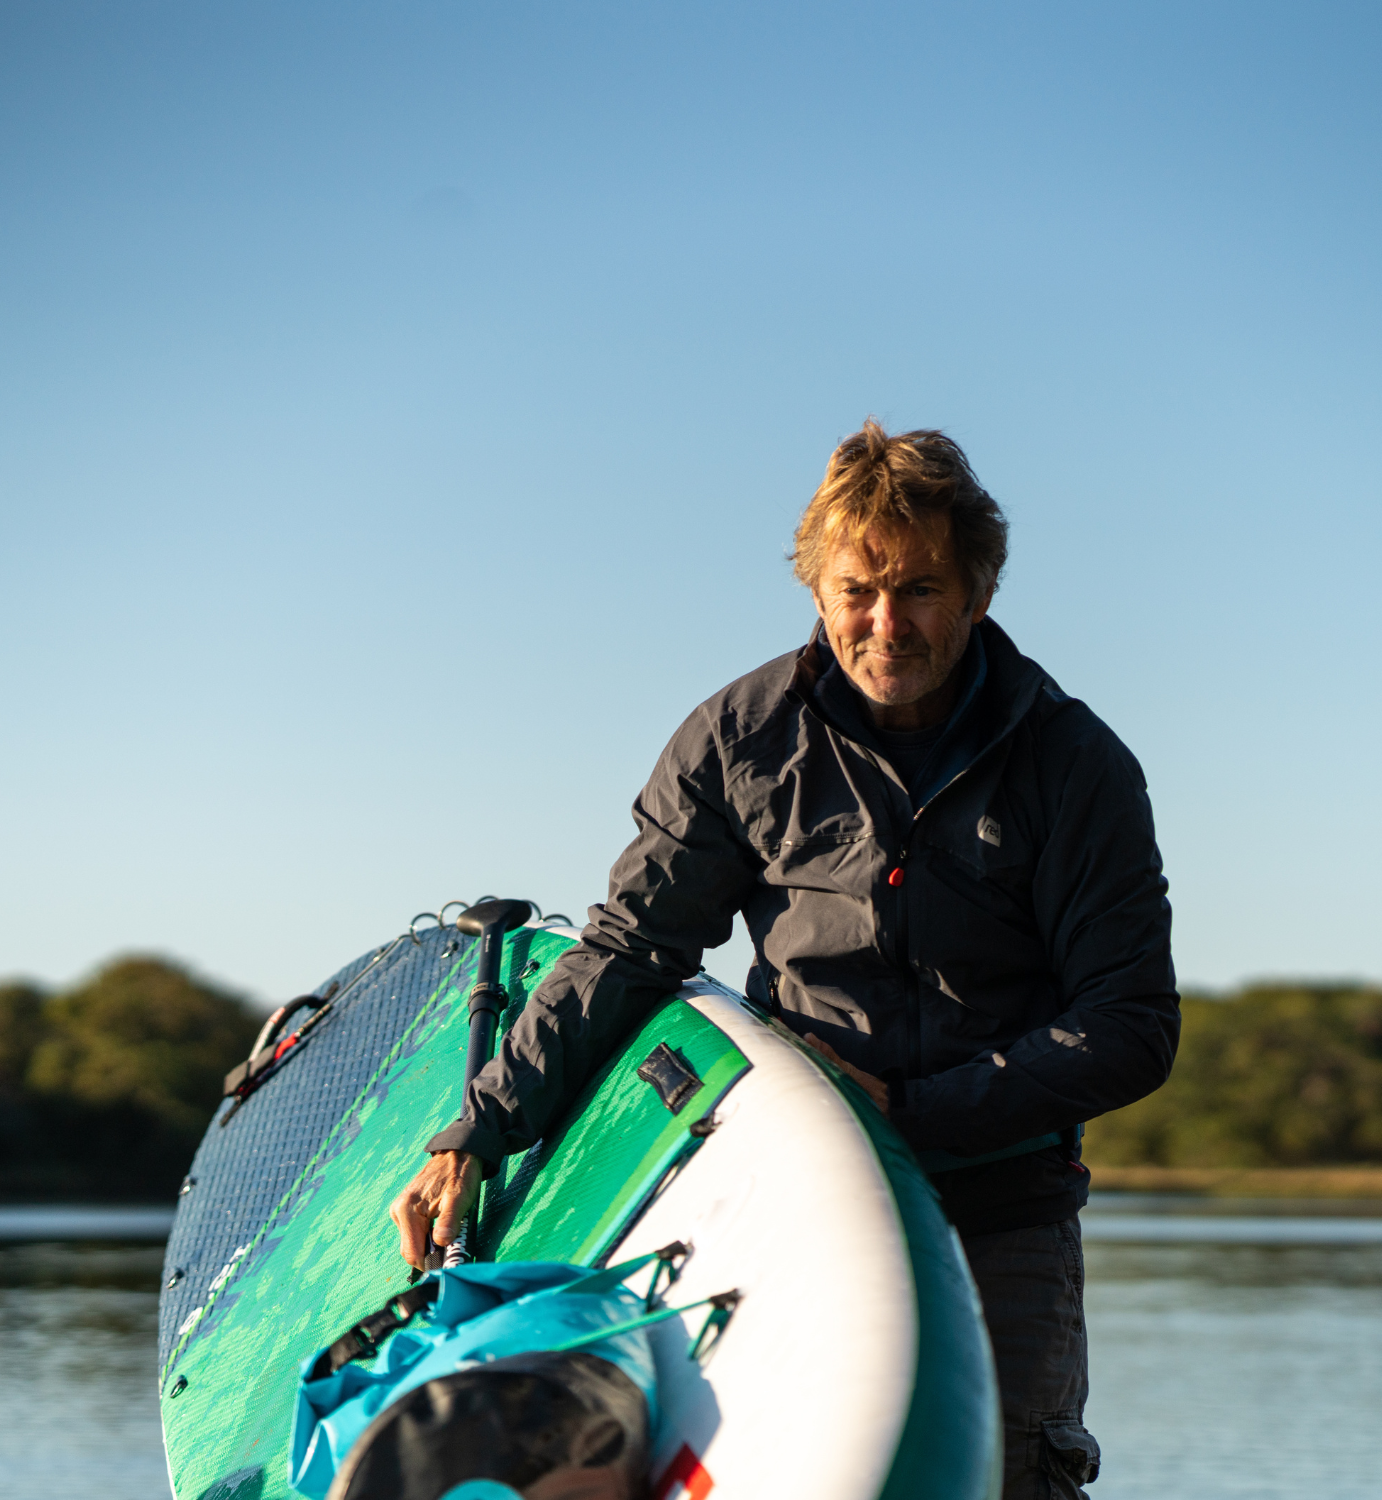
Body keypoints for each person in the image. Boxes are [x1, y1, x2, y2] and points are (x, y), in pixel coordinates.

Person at [389, 419, 1178, 1500]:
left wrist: (914, 1109)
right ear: (816, 589)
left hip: (1003, 1207)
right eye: (858, 590)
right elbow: (629, 950)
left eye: (921, 589)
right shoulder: (737, 739)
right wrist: (480, 1128)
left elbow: (1129, 1026)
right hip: (802, 1187)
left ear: (980, 592)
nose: (886, 623)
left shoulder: (1077, 764)